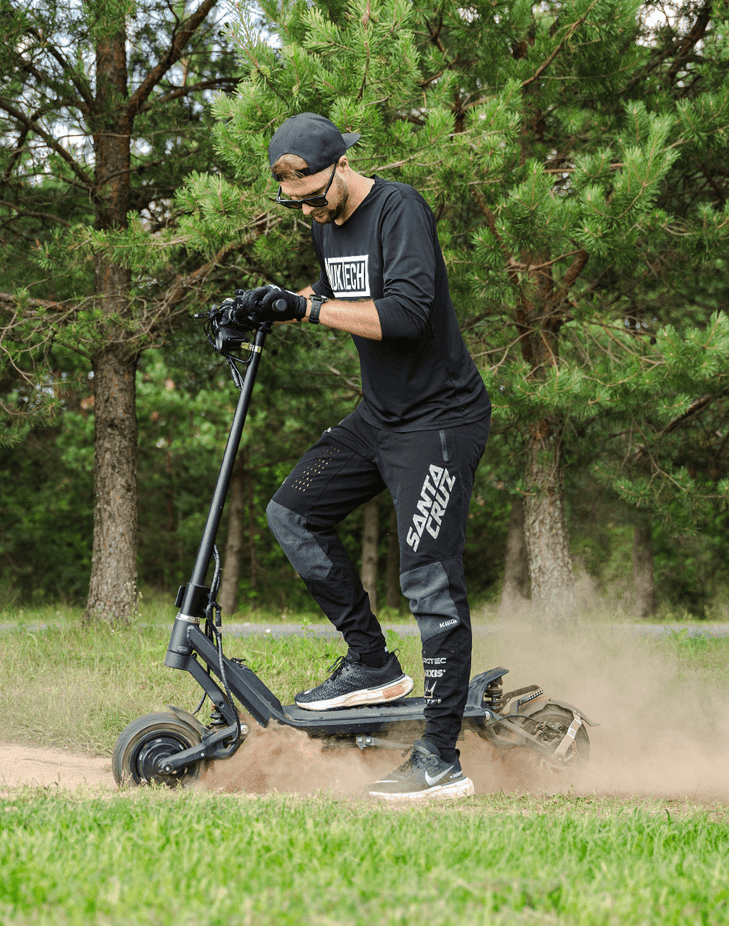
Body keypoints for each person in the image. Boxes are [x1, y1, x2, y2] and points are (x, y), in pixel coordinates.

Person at [235, 112, 492, 802]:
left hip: (438, 421)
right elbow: (341, 294)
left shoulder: (398, 207)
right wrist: (272, 305)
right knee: (292, 513)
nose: (310, 210)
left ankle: (440, 760)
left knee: (429, 581)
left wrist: (302, 311)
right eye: (297, 204)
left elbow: (405, 315)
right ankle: (372, 663)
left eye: (315, 195)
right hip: (379, 416)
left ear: (341, 166)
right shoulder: (325, 222)